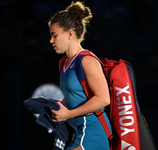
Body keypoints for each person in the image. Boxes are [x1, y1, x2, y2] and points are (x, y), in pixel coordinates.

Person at [48, 1, 112, 150]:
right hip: (74, 132)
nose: (51, 41)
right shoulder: (63, 63)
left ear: (70, 34)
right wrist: (57, 108)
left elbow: (103, 98)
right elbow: (73, 95)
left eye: (55, 35)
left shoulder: (87, 60)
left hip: (92, 131)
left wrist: (68, 114)